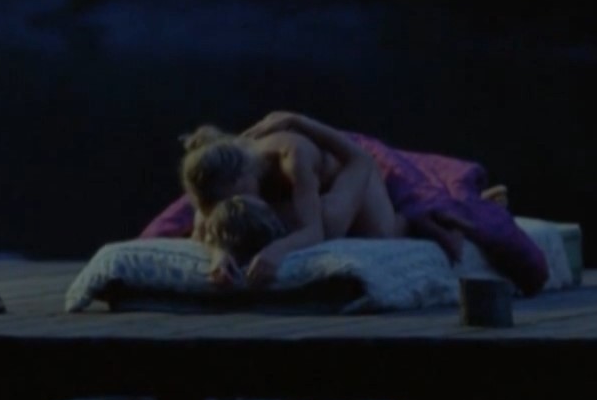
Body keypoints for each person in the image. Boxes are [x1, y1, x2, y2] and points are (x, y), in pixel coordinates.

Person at [178, 111, 479, 288]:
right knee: (248, 225)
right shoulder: (221, 180)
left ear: (240, 181)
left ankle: (415, 218)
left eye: (233, 200)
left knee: (377, 233)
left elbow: (315, 230)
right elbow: (204, 226)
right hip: (316, 188)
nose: (231, 208)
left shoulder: (290, 158)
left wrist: (276, 251)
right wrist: (219, 254)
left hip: (351, 167)